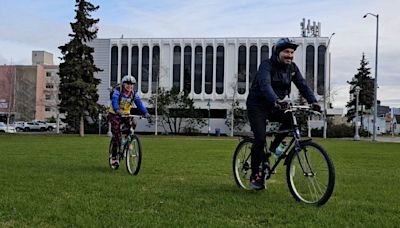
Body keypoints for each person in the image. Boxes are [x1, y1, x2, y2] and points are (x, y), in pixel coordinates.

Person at [246, 38, 321, 190]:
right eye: (286, 52)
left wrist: (314, 101)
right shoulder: (266, 66)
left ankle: (272, 150)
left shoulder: (292, 68)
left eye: (292, 52)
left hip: (276, 105)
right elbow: (265, 85)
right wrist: (276, 100)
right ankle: (255, 175)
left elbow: (303, 85)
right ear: (278, 52)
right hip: (258, 105)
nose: (290, 55)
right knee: (260, 139)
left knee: (292, 120)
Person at [108, 75, 151, 167]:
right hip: (115, 114)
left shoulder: (133, 94)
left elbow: (139, 104)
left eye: (132, 84)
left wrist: (146, 113)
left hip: (126, 114)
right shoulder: (117, 91)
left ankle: (128, 141)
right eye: (127, 84)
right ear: (123, 84)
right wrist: (117, 110)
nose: (129, 86)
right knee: (116, 135)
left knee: (133, 124)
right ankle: (114, 157)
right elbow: (114, 101)